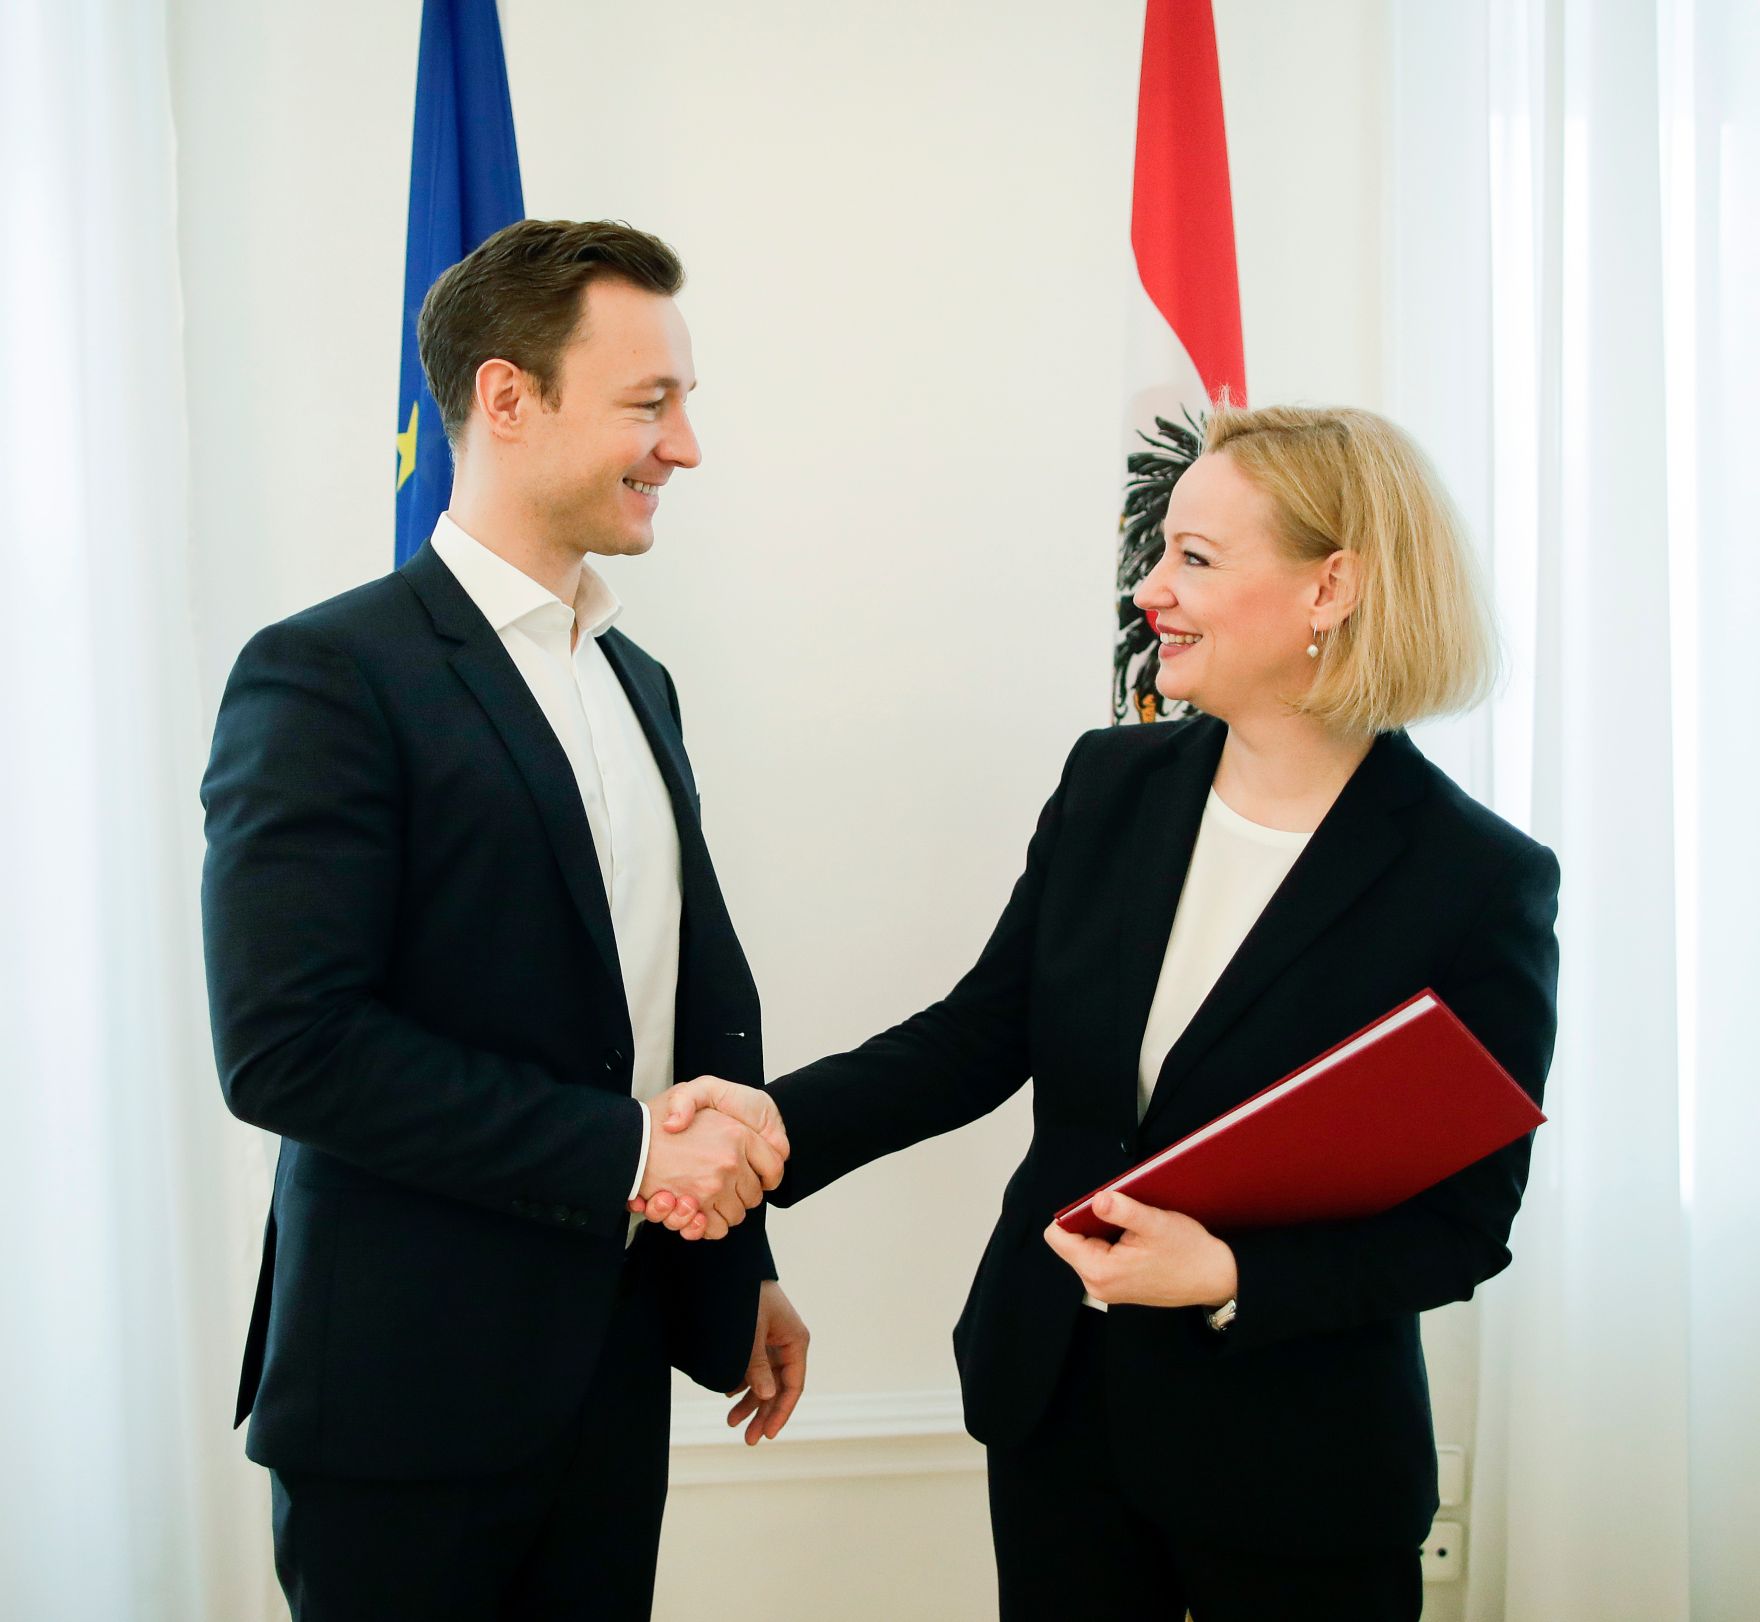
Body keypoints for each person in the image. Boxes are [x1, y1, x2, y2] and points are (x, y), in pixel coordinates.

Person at [644, 404, 1562, 1620]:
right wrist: (768, 1127)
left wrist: (1225, 1271)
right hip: (1058, 1406)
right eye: (1160, 550)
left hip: (1296, 1462)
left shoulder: (1474, 880)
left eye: (1195, 556)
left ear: (1330, 587)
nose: (1149, 589)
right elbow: (978, 1035)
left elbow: (1463, 1223)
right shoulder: (1109, 782)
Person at [201, 218, 807, 1622]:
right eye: (651, 404)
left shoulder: (639, 679)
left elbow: (680, 1001)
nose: (684, 447)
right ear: (508, 396)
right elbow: (289, 1047)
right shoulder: (324, 674)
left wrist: (740, 1266)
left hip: (612, 1373)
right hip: (402, 1400)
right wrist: (630, 1153)